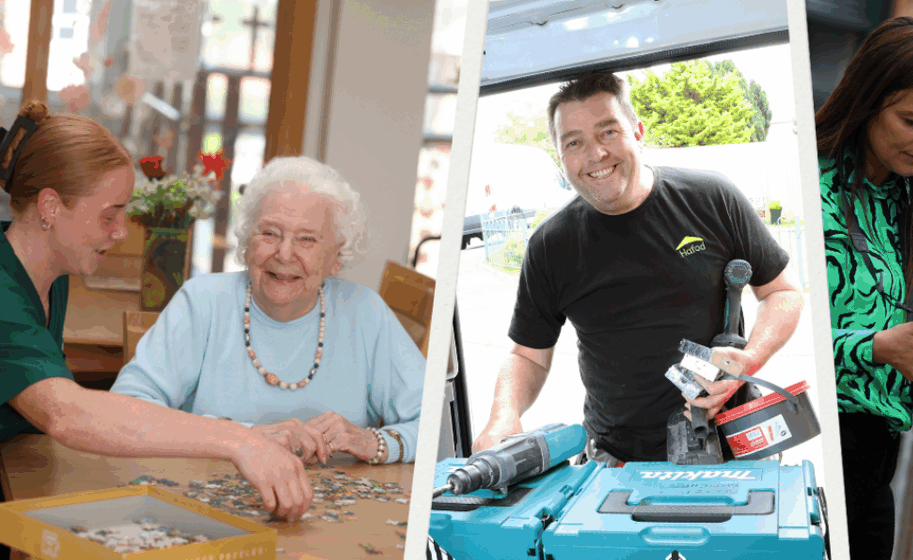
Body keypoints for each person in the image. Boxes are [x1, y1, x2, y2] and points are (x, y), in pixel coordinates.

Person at [473, 72, 803, 464]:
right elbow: (527, 354)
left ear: (638, 132)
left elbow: (782, 293)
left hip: (733, 445)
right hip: (617, 458)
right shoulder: (550, 245)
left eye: (608, 132)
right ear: (560, 156)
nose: (595, 154)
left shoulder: (712, 198)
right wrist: (503, 415)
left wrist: (749, 359)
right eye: (574, 142)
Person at [0, 102, 309, 518]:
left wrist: (244, 434)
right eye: (109, 216)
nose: (121, 231)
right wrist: (237, 441)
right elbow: (66, 413)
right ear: (51, 208)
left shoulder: (47, 271)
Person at [112, 156, 426, 465]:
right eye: (270, 233)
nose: (285, 253)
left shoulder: (364, 313)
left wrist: (376, 442)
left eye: (307, 240)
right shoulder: (202, 302)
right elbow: (126, 410)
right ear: (247, 241)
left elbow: (433, 423)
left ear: (337, 257)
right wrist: (245, 438)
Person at [816, 16, 913, 559]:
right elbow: (775, 340)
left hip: (880, 468)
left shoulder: (911, 203)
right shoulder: (809, 184)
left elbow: (907, 354)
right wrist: (876, 346)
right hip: (812, 463)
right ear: (868, 100)